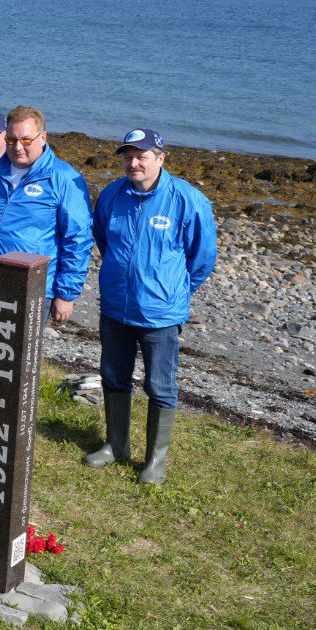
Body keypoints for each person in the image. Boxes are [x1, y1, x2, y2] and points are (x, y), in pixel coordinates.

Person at [85, 129, 216, 484]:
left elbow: (202, 259)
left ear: (160, 157)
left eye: (142, 155)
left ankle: (155, 461)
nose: (134, 162)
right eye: (128, 155)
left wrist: (172, 291)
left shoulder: (187, 200)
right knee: (114, 377)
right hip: (115, 307)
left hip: (160, 314)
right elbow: (102, 238)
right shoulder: (112, 194)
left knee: (160, 386)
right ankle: (116, 445)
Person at [0, 105, 93, 406]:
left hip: (33, 284)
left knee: (19, 351)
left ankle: (14, 411)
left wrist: (67, 293)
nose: (17, 146)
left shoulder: (63, 178)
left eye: (25, 139)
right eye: (11, 139)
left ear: (43, 136)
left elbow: (78, 239)